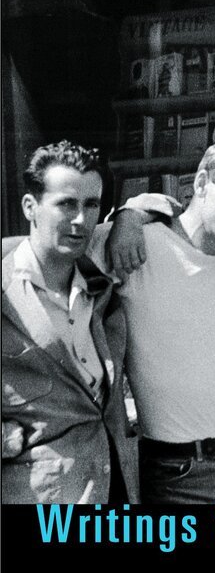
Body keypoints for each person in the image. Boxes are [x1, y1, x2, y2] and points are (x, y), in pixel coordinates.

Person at [104, 137, 215, 505]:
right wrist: (128, 214)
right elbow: (48, 256)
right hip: (177, 474)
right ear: (201, 183)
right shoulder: (138, 246)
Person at [2, 141, 137, 504]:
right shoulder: (5, 293)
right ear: (30, 206)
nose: (80, 219)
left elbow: (168, 209)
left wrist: (130, 215)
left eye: (91, 205)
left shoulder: (100, 287)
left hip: (112, 488)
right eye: (66, 204)